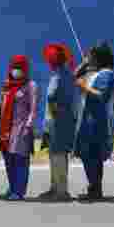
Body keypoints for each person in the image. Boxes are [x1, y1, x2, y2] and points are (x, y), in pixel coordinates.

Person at [74, 43, 114, 201]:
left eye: (90, 55)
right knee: (87, 154)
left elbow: (101, 96)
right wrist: (83, 65)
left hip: (97, 120)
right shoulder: (93, 72)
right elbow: (75, 76)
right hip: (87, 118)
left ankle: (95, 187)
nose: (88, 58)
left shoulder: (106, 74)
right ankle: (93, 186)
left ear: (98, 57)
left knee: (92, 155)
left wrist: (84, 87)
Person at [0, 55, 38, 201]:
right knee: (8, 159)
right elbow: (1, 105)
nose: (16, 70)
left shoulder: (31, 85)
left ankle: (19, 191)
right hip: (6, 127)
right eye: (14, 67)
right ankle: (12, 187)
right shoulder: (7, 85)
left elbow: (33, 109)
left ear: (25, 69)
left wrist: (28, 126)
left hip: (21, 127)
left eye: (19, 67)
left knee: (20, 160)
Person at [39, 43, 76, 201]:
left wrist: (54, 115)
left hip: (57, 119)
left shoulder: (58, 75)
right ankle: (56, 188)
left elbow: (52, 96)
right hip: (64, 118)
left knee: (57, 155)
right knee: (58, 155)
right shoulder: (67, 74)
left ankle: (60, 191)